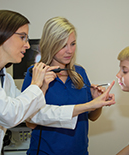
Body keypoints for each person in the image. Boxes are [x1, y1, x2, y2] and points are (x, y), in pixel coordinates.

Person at [0, 10, 115, 155]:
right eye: (22, 37)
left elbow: (39, 114)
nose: (28, 45)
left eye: (72, 44)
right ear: (2, 34)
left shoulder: (5, 78)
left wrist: (93, 104)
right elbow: (9, 114)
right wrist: (36, 85)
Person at [22, 16, 115, 155]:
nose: (69, 51)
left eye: (72, 44)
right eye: (63, 45)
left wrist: (97, 102)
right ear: (50, 44)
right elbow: (30, 123)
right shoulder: (35, 74)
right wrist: (41, 88)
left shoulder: (79, 73)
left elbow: (92, 117)